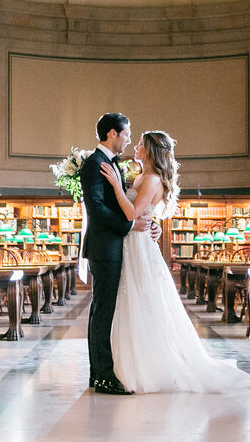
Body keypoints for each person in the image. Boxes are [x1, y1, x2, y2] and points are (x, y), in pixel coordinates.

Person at [100, 130, 250, 393]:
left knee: (143, 303)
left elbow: (131, 213)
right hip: (133, 245)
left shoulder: (151, 179)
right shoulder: (141, 176)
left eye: (140, 144)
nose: (135, 147)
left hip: (139, 248)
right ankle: (129, 365)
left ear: (151, 152)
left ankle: (146, 370)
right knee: (131, 304)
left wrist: (117, 187)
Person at [79, 112, 152, 395]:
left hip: (111, 246)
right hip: (104, 248)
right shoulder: (95, 163)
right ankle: (104, 376)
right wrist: (131, 224)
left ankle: (99, 375)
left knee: (102, 311)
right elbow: (96, 209)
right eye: (126, 134)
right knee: (103, 312)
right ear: (112, 133)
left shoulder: (109, 163)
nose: (128, 139)